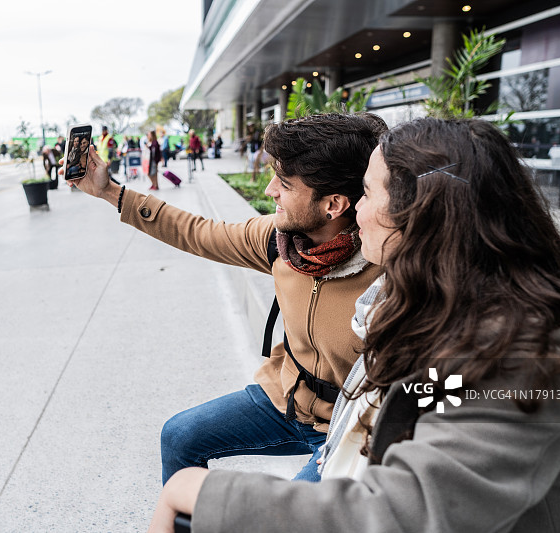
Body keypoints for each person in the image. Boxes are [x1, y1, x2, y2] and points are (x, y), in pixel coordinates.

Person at [147, 117, 560, 533]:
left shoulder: (522, 353)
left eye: (366, 193)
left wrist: (203, 493)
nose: (357, 211)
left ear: (420, 215)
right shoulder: (432, 299)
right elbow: (426, 398)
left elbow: (406, 513)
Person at [63, 112, 387, 485]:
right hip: (284, 400)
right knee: (179, 435)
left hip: (349, 428)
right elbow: (199, 233)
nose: (269, 191)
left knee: (290, 515)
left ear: (334, 204)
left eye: (284, 183)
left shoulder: (388, 272)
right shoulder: (279, 241)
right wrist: (109, 191)